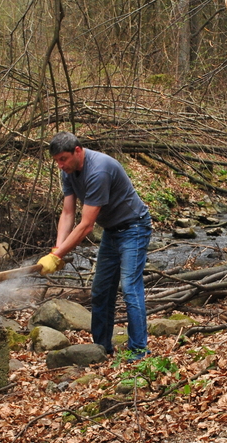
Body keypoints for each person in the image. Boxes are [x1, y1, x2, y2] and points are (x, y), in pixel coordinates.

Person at [38, 132, 153, 359]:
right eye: (57, 161)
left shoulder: (99, 170)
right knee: (100, 291)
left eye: (63, 159)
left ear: (77, 151)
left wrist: (58, 254)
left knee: (130, 288)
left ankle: (139, 350)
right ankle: (100, 349)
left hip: (134, 228)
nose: (60, 165)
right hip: (111, 231)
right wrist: (57, 250)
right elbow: (68, 212)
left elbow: (87, 225)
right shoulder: (69, 172)